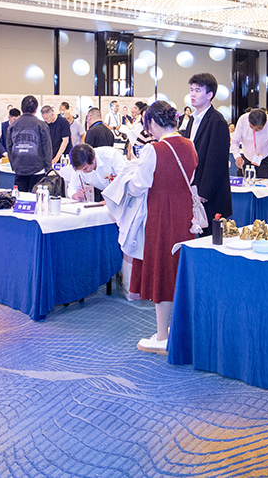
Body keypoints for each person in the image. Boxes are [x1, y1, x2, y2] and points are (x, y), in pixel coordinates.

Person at [120, 101, 198, 355]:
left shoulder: (154, 149)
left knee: (162, 270)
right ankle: (179, 329)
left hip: (161, 214)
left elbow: (138, 185)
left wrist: (128, 180)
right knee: (178, 269)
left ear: (152, 123)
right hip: (185, 213)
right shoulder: (189, 144)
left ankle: (163, 335)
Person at [182, 73, 231, 231]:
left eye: (198, 90)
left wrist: (205, 192)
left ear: (209, 95)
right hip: (193, 188)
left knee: (209, 236)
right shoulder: (192, 119)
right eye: (191, 90)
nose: (192, 94)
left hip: (209, 194)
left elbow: (216, 160)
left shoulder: (217, 121)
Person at [6, 95, 53, 192]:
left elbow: (9, 147)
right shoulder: (42, 125)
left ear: (21, 108)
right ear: (36, 109)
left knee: (20, 197)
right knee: (37, 197)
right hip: (38, 168)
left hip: (19, 167)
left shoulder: (13, 125)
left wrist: (13, 165)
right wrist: (48, 167)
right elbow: (47, 148)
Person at [230, 108, 268, 178]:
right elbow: (235, 141)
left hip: (265, 158)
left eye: (259, 128)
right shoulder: (243, 120)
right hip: (247, 157)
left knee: (264, 183)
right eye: (251, 127)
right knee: (245, 182)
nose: (255, 130)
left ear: (265, 123)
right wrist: (237, 156)